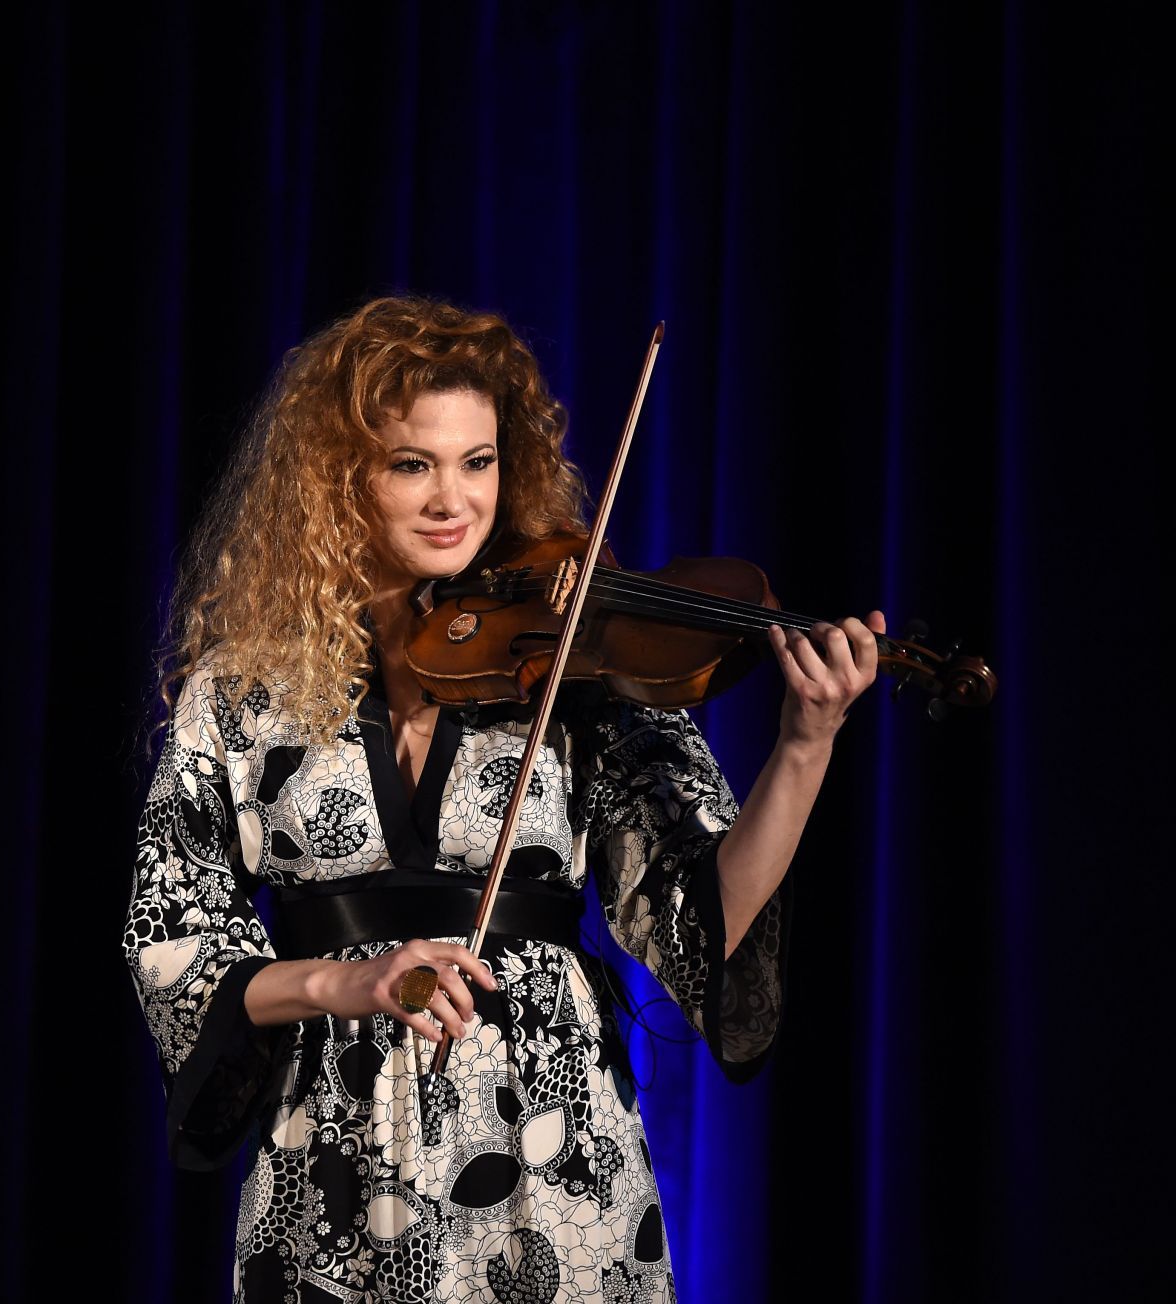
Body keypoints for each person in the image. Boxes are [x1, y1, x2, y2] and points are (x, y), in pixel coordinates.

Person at [123, 295, 882, 1302]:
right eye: (413, 463)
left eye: (478, 462)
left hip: (556, 1151)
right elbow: (171, 939)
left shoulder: (576, 670)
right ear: (341, 478)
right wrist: (343, 983)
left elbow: (705, 923)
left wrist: (805, 742)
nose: (454, 499)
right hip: (336, 1147)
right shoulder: (240, 690)